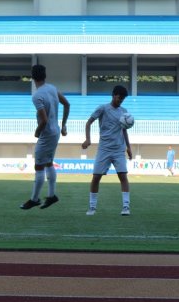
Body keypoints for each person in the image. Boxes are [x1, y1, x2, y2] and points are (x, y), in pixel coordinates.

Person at [20, 64, 70, 210]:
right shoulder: (52, 88)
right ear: (45, 75)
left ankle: (34, 199)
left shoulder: (37, 96)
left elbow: (44, 120)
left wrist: (37, 132)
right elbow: (67, 104)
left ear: (32, 77)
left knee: (39, 166)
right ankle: (51, 196)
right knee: (49, 163)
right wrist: (64, 125)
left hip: (47, 134)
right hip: (55, 132)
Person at [81, 85, 132, 216]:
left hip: (119, 149)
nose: (121, 101)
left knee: (123, 176)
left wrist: (128, 147)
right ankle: (92, 207)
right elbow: (88, 123)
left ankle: (126, 207)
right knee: (96, 177)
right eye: (119, 98)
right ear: (114, 95)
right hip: (104, 149)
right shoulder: (102, 108)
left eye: (123, 99)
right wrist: (88, 139)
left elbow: (124, 130)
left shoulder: (124, 112)